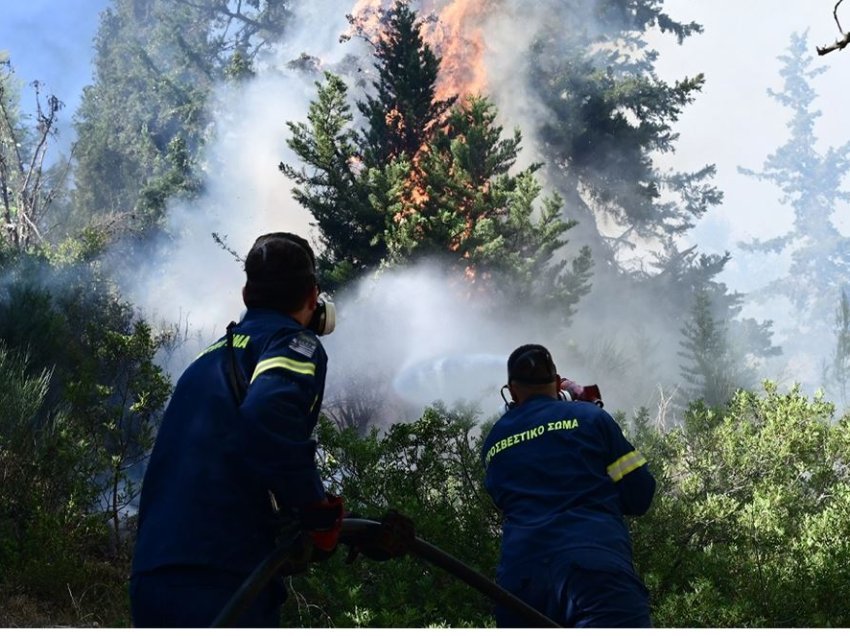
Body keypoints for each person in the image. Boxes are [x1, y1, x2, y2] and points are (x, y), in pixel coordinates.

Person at [130, 232, 343, 628]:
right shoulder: (292, 342)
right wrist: (315, 510)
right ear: (314, 298)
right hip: (223, 577)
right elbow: (269, 411)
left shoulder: (207, 359)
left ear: (246, 294)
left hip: (154, 574)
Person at [481, 344, 656, 628]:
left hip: (521, 586)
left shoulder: (494, 443)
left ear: (511, 391)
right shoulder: (591, 418)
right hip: (596, 574)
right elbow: (640, 494)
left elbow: (503, 500)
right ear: (557, 382)